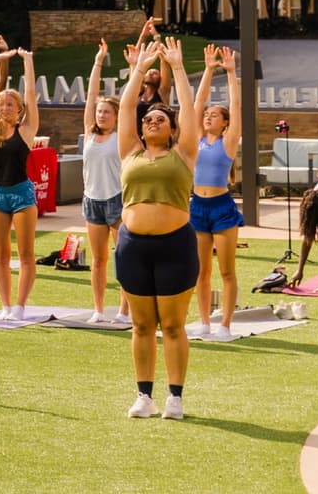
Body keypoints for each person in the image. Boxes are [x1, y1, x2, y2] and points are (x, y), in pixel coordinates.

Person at [115, 29, 201, 420]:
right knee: (141, 324)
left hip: (175, 246)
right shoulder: (129, 150)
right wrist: (139, 71)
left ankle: (176, 398)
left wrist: (178, 69)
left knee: (173, 324)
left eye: (159, 119)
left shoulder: (184, 153)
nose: (151, 121)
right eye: (147, 118)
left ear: (171, 127)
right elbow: (126, 106)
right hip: (133, 245)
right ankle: (144, 396)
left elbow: (189, 111)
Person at [0, 37, 42, 320]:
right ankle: (5, 306)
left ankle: (19, 306)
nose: (5, 108)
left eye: (10, 104)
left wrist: (27, 61)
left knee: (26, 254)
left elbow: (30, 92)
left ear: (18, 109)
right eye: (1, 104)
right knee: (0, 254)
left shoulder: (26, 130)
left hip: (21, 195)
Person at [187, 44, 245, 339]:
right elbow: (195, 106)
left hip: (222, 208)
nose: (208, 116)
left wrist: (232, 73)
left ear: (224, 124)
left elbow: (236, 108)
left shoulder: (228, 142)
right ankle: (205, 321)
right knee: (201, 271)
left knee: (226, 271)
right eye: (207, 114)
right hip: (197, 207)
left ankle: (225, 324)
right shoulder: (196, 139)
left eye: (214, 115)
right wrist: (209, 70)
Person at [80, 39, 128, 325]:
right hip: (92, 200)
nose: (101, 115)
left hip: (118, 199)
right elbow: (90, 95)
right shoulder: (89, 133)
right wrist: (98, 61)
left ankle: (124, 311)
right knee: (98, 261)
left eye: (106, 112)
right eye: (99, 112)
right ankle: (98, 309)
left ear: (116, 116)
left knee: (124, 258)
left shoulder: (121, 136)